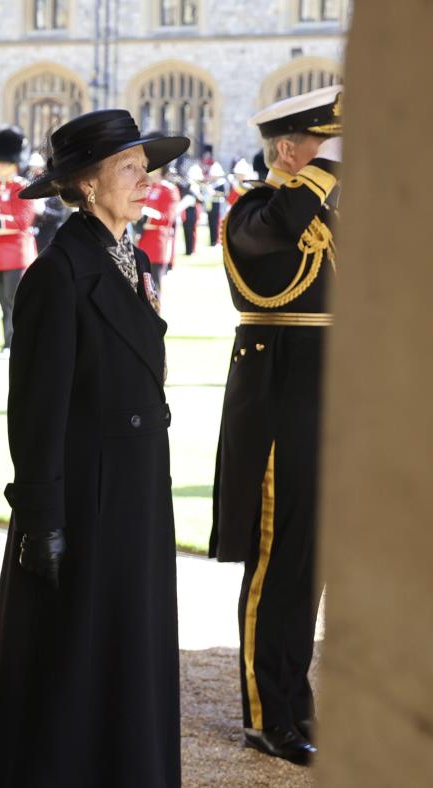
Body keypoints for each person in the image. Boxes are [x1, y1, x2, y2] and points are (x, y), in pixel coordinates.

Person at [0, 109, 189, 787]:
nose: (146, 181)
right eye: (130, 169)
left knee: (130, 654)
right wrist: (42, 519)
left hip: (133, 496)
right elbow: (35, 412)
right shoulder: (57, 276)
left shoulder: (132, 256)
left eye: (145, 168)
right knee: (75, 668)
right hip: (86, 506)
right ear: (89, 186)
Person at [210, 84, 343, 767]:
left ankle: (301, 700)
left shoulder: (334, 214)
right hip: (279, 407)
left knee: (315, 565)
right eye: (326, 146)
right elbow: (284, 227)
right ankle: (270, 715)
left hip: (337, 406)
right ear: (290, 151)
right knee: (279, 564)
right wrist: (323, 173)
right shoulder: (253, 213)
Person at [0, 127, 39, 360]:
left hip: (17, 253)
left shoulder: (22, 188)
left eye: (6, 163)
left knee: (16, 303)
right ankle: (9, 343)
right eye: (0, 162)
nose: (1, 166)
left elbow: (23, 221)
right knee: (4, 303)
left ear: (15, 163)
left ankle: (17, 345)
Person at [135, 163, 182, 296]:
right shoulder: (146, 188)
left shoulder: (169, 190)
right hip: (141, 242)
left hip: (156, 244)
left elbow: (167, 218)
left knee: (153, 288)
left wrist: (146, 214)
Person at [26, 152, 71, 255]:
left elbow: (60, 215)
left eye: (37, 168)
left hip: (51, 233)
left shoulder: (56, 191)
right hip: (35, 231)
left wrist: (43, 211)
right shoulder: (30, 183)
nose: (35, 171)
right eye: (32, 168)